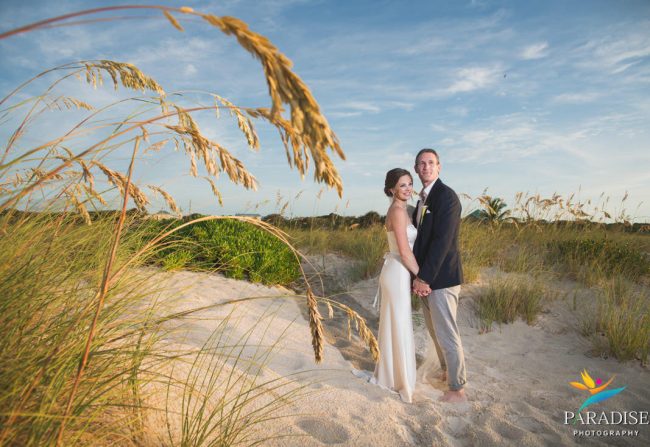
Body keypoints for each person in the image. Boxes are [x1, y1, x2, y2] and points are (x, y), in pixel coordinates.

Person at [411, 148, 467, 403]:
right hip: (426, 279)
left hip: (442, 278)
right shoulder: (423, 200)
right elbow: (421, 242)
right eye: (421, 163)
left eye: (431, 163)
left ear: (439, 167)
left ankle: (457, 389)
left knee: (447, 334)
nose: (426, 167)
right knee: (435, 332)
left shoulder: (447, 197)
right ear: (416, 168)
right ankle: (447, 371)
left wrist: (425, 278)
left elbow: (442, 242)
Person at [370, 168, 418, 403]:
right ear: (391, 189)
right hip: (398, 271)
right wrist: (422, 277)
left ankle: (393, 375)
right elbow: (405, 252)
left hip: (397, 271)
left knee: (397, 323)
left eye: (410, 184)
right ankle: (399, 380)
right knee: (398, 324)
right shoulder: (398, 212)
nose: (407, 188)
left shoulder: (404, 210)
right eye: (402, 185)